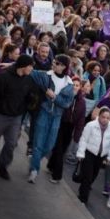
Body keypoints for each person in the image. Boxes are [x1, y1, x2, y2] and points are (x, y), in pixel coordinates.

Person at [0, 55, 36, 180]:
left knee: (11, 144)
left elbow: (29, 96)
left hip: (16, 117)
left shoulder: (29, 79)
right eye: (30, 66)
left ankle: (3, 167)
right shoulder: (4, 77)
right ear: (23, 66)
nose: (32, 69)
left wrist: (30, 102)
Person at [28, 55, 75, 183]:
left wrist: (54, 97)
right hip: (44, 112)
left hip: (57, 117)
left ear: (64, 66)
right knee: (38, 143)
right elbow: (30, 71)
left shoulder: (69, 84)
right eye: (54, 61)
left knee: (49, 146)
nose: (54, 64)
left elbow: (67, 103)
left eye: (57, 63)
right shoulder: (45, 75)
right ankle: (34, 169)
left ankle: (35, 160)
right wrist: (12, 64)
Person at [48, 76, 86, 183]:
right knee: (59, 149)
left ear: (80, 88)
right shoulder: (64, 95)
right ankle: (57, 176)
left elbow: (81, 120)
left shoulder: (81, 102)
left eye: (77, 85)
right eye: (73, 85)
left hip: (70, 128)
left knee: (61, 150)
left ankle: (51, 164)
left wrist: (77, 136)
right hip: (60, 123)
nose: (74, 87)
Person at [76, 107, 110, 204]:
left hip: (100, 156)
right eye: (103, 117)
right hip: (89, 153)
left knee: (93, 176)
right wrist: (80, 153)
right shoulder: (90, 125)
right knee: (88, 176)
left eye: (107, 118)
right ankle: (83, 198)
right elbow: (84, 139)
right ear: (99, 116)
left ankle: (83, 189)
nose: (105, 120)